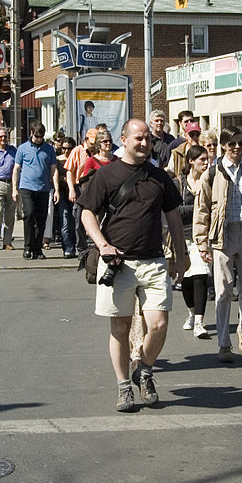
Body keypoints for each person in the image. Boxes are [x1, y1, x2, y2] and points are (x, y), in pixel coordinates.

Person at [78, 119, 187, 413]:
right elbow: (87, 214)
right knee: (120, 328)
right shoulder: (106, 175)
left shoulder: (159, 177)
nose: (144, 143)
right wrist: (103, 244)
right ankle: (124, 386)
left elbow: (174, 218)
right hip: (118, 264)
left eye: (148, 139)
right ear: (123, 140)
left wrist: (182, 253)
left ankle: (145, 369)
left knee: (160, 324)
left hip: (153, 260)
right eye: (138, 138)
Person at [193, 126, 242, 362]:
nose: (236, 147)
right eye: (231, 143)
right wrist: (202, 242)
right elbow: (201, 209)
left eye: (240, 143)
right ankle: (224, 343)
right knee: (223, 291)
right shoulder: (212, 173)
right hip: (222, 236)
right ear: (223, 145)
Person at [177, 144, 212, 338]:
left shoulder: (212, 180)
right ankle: (191, 313)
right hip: (183, 236)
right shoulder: (179, 183)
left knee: (201, 276)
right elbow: (176, 211)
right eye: (202, 160)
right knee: (186, 279)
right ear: (191, 161)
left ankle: (199, 321)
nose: (206, 163)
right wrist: (199, 205)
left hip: (204, 236)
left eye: (208, 159)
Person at [13, 121, 58, 260]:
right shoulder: (22, 148)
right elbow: (16, 168)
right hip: (26, 187)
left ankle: (37, 249)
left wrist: (56, 189)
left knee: (41, 219)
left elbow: (53, 169)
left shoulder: (49, 149)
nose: (39, 139)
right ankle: (28, 247)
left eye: (41, 136)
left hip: (43, 188)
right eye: (37, 136)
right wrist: (14, 188)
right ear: (31, 133)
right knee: (29, 214)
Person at [55, 136, 77, 258]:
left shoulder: (76, 159)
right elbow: (53, 175)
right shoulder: (58, 160)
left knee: (75, 222)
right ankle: (67, 248)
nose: (66, 151)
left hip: (75, 193)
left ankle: (74, 247)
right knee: (65, 221)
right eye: (64, 148)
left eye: (69, 149)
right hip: (63, 193)